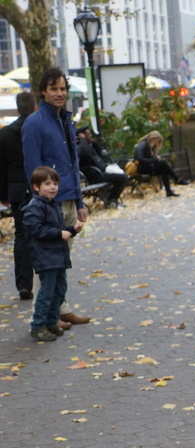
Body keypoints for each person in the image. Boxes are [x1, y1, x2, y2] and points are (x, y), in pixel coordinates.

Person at [22, 67, 90, 328]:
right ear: (43, 91)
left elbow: (73, 164)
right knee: (50, 261)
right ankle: (49, 314)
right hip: (49, 203)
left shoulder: (65, 120)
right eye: (54, 89)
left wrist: (80, 202)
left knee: (62, 260)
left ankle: (58, 308)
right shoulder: (35, 123)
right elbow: (33, 169)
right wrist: (42, 205)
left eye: (63, 88)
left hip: (70, 198)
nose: (60, 93)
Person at [23, 167, 83, 341]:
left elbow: (59, 230)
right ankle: (38, 326)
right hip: (45, 257)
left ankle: (51, 322)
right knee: (47, 292)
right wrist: (58, 234)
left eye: (55, 184)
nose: (52, 187)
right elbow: (36, 230)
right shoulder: (34, 207)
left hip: (58, 256)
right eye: (47, 184)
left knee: (59, 290)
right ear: (36, 187)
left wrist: (72, 229)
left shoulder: (53, 204)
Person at [0, 92, 37, 301]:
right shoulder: (35, 129)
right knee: (42, 233)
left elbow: (1, 168)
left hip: (16, 188)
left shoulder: (5, 134)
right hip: (38, 186)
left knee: (21, 236)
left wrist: (3, 193)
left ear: (17, 107)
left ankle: (24, 284)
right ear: (33, 107)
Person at [76, 126, 128, 208]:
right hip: (93, 176)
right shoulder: (80, 146)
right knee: (122, 178)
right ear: (81, 135)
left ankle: (111, 199)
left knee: (122, 175)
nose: (90, 135)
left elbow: (101, 154)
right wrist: (82, 140)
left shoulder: (90, 144)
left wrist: (94, 143)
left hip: (101, 171)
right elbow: (84, 153)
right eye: (88, 134)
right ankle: (111, 200)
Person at [133, 130, 188, 197]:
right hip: (141, 168)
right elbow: (139, 159)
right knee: (163, 164)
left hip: (148, 167)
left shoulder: (151, 146)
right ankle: (177, 180)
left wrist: (155, 158)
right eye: (157, 140)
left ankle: (169, 191)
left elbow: (150, 159)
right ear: (152, 138)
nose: (157, 143)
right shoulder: (142, 145)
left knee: (164, 168)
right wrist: (154, 160)